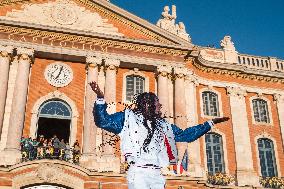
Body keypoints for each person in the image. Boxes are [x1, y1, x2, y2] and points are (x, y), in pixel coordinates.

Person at [90, 81, 229, 189]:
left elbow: (187, 135)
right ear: (148, 105)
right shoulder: (127, 118)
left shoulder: (163, 125)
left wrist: (210, 123)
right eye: (157, 104)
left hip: (157, 173)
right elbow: (103, 121)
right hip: (138, 172)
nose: (160, 106)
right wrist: (100, 98)